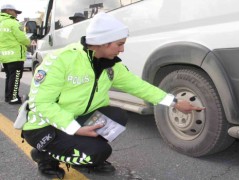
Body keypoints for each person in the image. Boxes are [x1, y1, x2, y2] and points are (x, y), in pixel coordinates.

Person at [21, 13, 204, 179]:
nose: (122, 50)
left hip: (76, 119)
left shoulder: (111, 66)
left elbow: (139, 87)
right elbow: (41, 103)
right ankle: (44, 155)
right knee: (99, 152)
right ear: (103, 42)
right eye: (119, 44)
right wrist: (74, 128)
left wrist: (174, 102)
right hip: (45, 126)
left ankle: (79, 154)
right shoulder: (61, 60)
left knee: (117, 116)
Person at [0, 4, 30, 104]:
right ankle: (13, 98)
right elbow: (23, 38)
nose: (16, 15)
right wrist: (28, 41)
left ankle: (8, 97)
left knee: (10, 76)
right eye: (15, 12)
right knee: (16, 76)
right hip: (15, 56)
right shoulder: (13, 23)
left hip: (5, 56)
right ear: (8, 11)